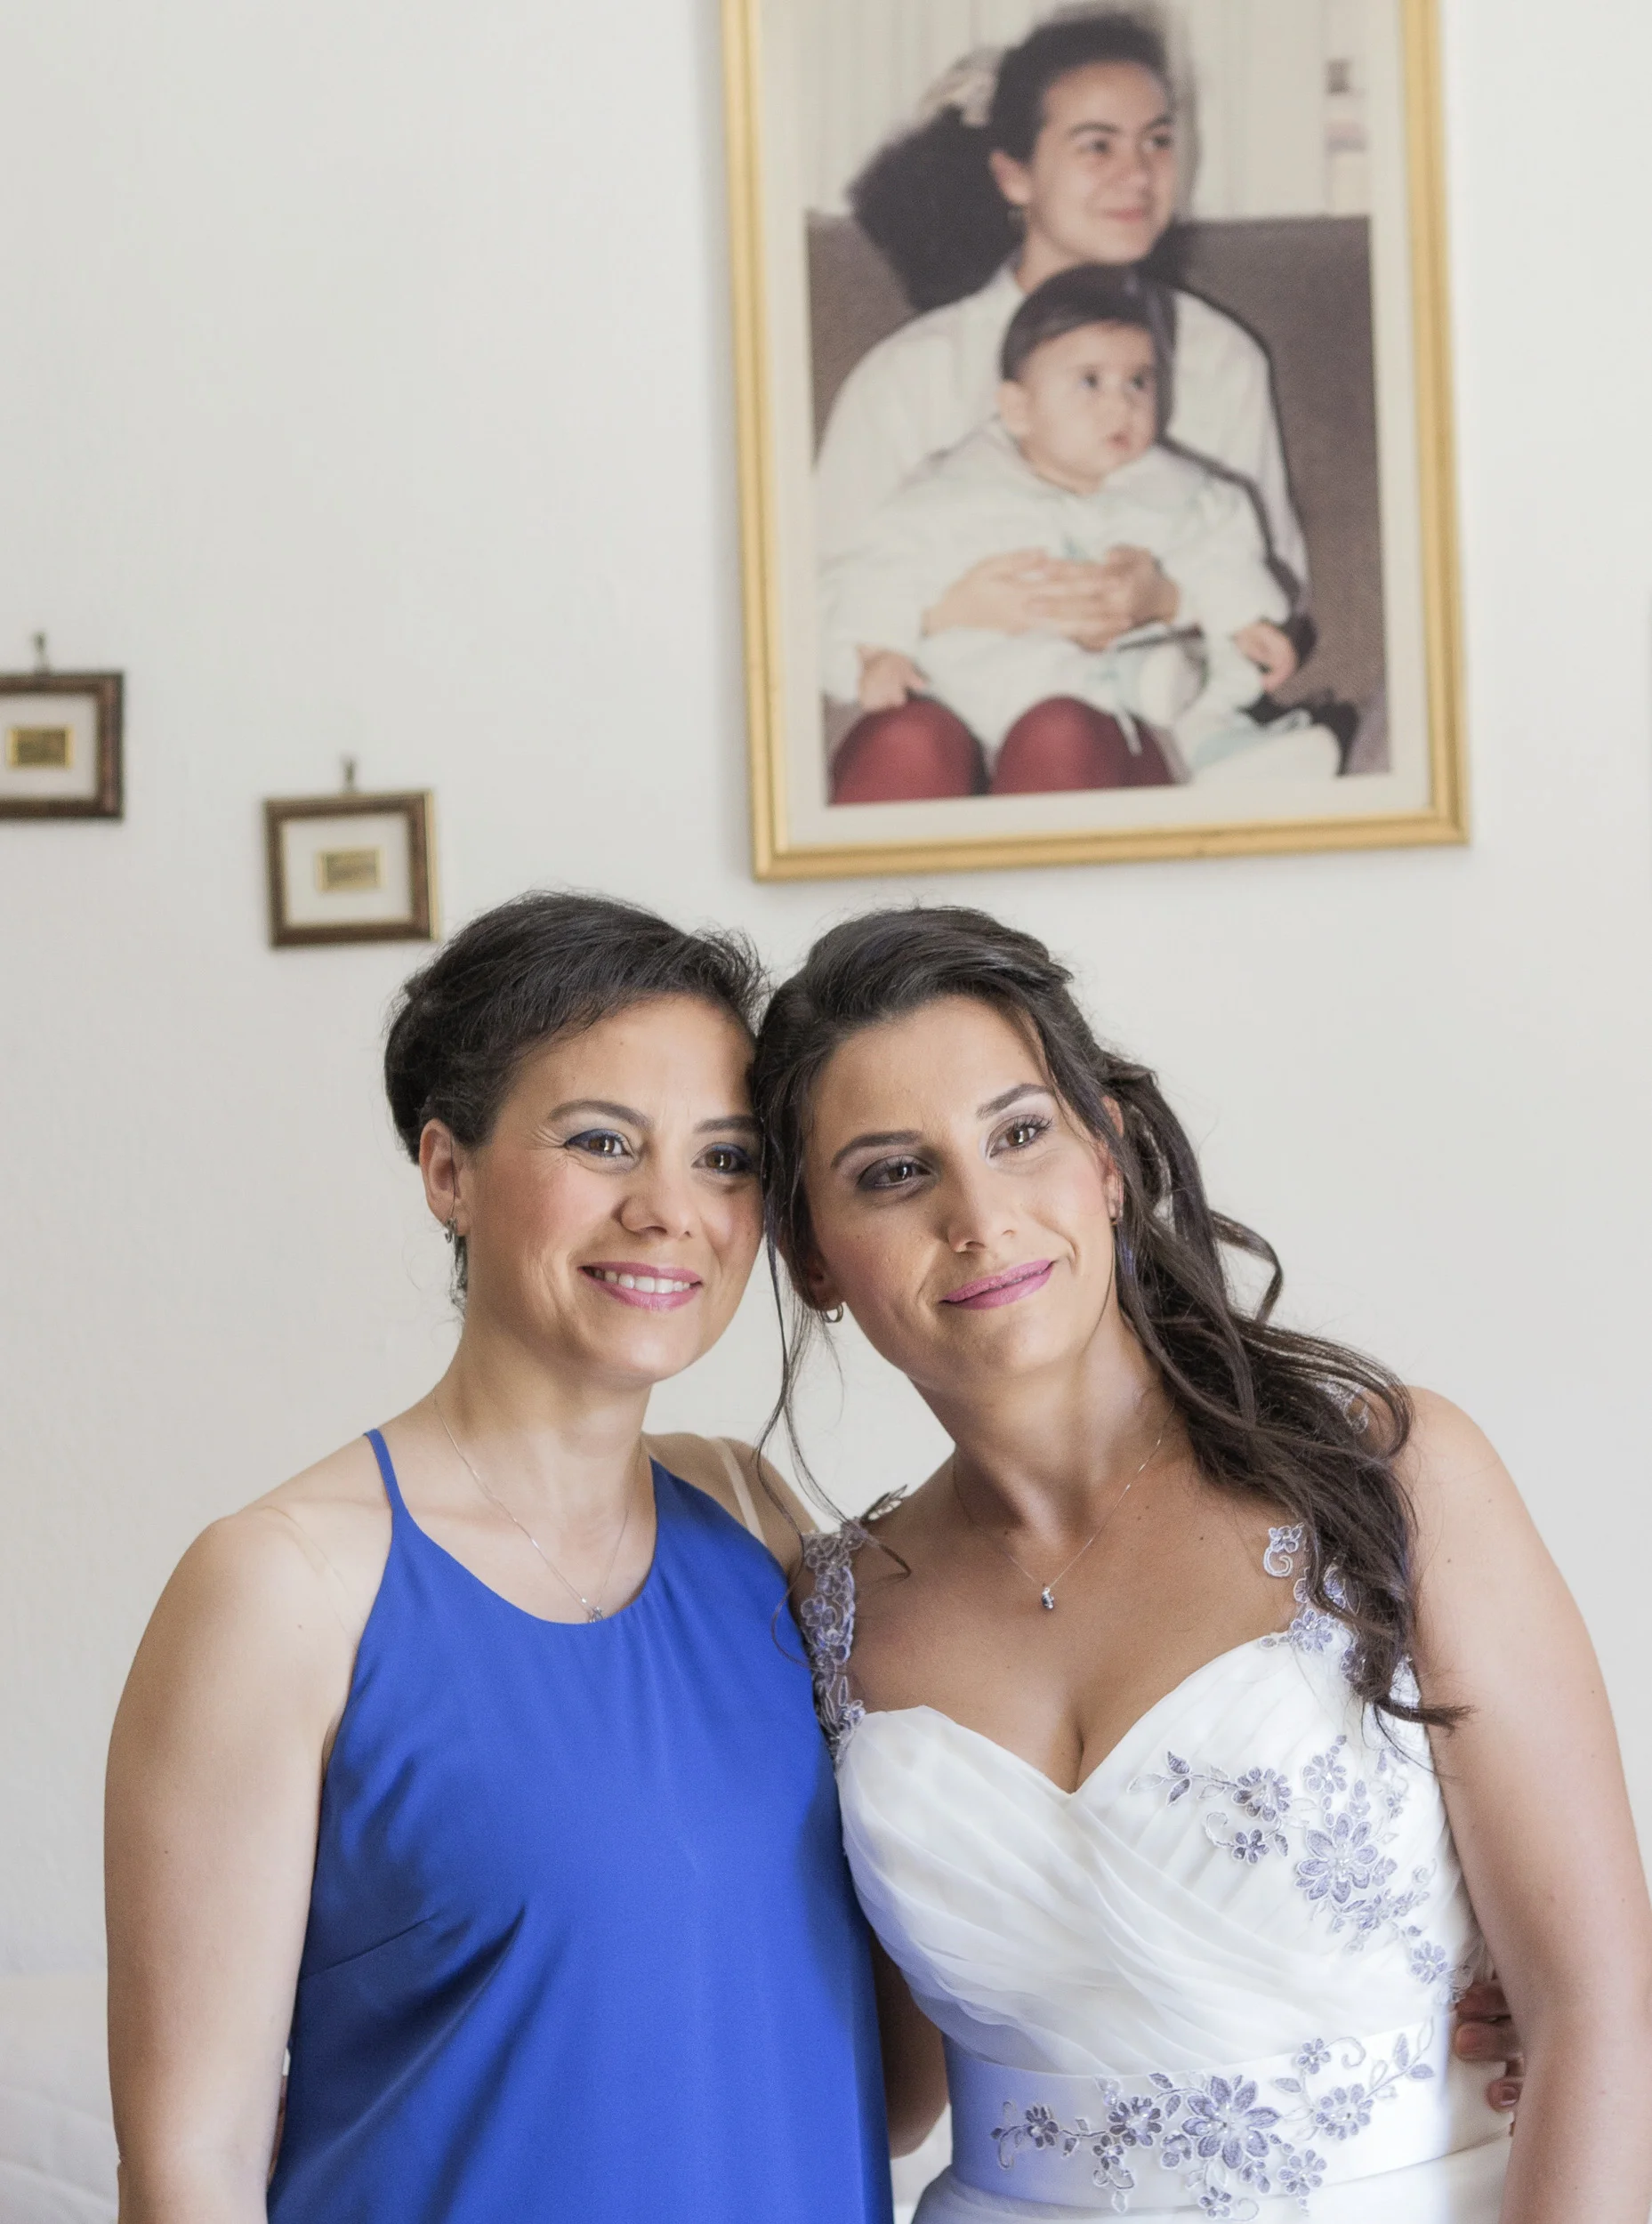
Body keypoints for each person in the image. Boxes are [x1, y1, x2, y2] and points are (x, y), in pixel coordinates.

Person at [751, 905, 1652, 2222]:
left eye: (1019, 1134)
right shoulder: (827, 1617)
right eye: (893, 1173)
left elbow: (1599, 2008)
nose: (979, 1216)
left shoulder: (1390, 1480)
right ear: (812, 1258)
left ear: (1108, 1156)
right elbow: (879, 2095)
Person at [104, 893, 892, 2224]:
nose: (670, 1210)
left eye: (724, 1158)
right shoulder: (282, 1586)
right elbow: (193, 2162)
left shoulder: (751, 1514)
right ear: (447, 1171)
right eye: (600, 1142)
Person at [818, 12, 1310, 803]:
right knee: (908, 742)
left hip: (1130, 721)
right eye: (1096, 146)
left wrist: (1166, 599)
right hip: (940, 704)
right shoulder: (911, 373)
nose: (1137, 174)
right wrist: (946, 611)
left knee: (1061, 732)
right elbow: (808, 612)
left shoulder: (1219, 360)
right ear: (1014, 176)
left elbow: (1273, 586)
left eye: (1157, 141)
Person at [824, 266, 1335, 803]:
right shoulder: (955, 491)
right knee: (922, 736)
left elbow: (1220, 549)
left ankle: (1226, 751)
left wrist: (1241, 618)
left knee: (1175, 695)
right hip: (972, 686)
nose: (1122, 405)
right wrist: (880, 651)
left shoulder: (1173, 490)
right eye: (1090, 382)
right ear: (1019, 409)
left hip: (1118, 711)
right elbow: (886, 566)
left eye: (1139, 382)